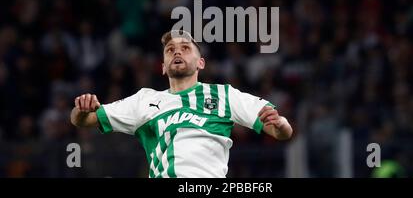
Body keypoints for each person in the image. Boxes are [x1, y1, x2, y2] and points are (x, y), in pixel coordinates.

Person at [70, 30, 293, 178]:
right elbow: (82, 120)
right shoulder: (144, 100)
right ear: (164, 67)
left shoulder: (224, 95)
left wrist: (281, 123)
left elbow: (281, 131)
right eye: (170, 50)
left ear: (201, 63)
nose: (177, 51)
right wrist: (82, 109)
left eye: (185, 48)